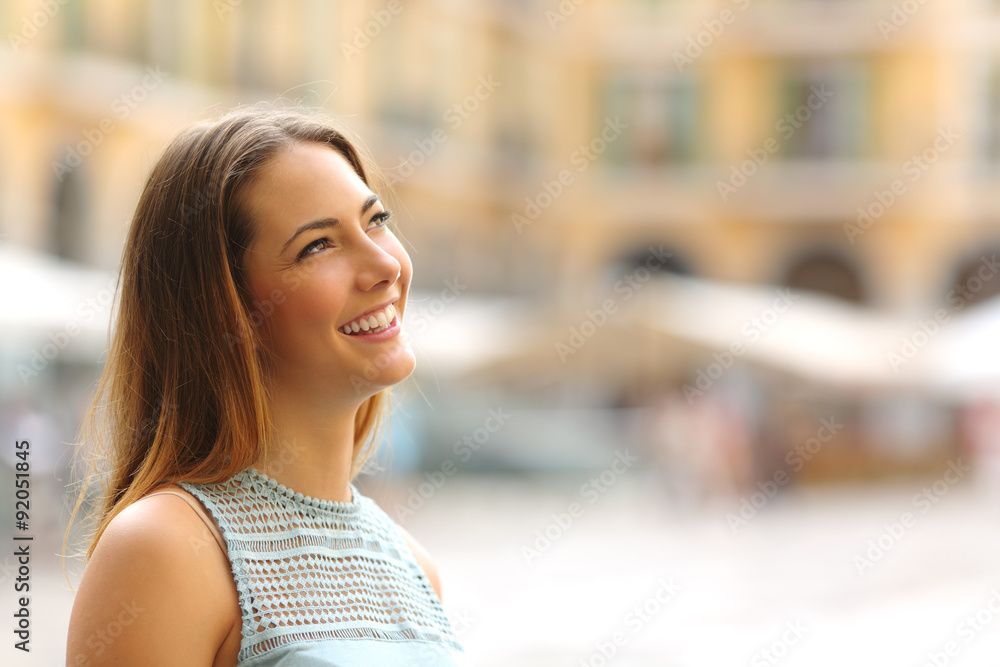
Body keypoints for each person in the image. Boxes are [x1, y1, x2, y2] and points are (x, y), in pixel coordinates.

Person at [65, 106, 464, 666]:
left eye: (376, 220)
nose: (385, 265)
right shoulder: (164, 548)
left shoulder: (416, 568)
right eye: (318, 245)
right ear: (226, 310)